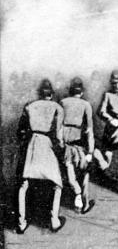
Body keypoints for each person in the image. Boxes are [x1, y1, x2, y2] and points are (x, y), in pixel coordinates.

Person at [16, 79, 66, 234]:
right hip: (46, 144)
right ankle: (54, 220)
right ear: (51, 94)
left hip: (32, 144)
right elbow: (59, 135)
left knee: (24, 184)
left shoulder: (29, 106)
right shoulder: (57, 107)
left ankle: (21, 223)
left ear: (40, 93)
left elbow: (20, 132)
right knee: (57, 184)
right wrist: (61, 149)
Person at [60, 77, 97, 215]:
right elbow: (89, 130)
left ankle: (77, 194)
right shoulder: (86, 104)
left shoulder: (63, 102)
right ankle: (84, 203)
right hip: (80, 145)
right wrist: (91, 151)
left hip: (66, 144)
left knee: (69, 171)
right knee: (85, 173)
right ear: (81, 92)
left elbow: (58, 126)